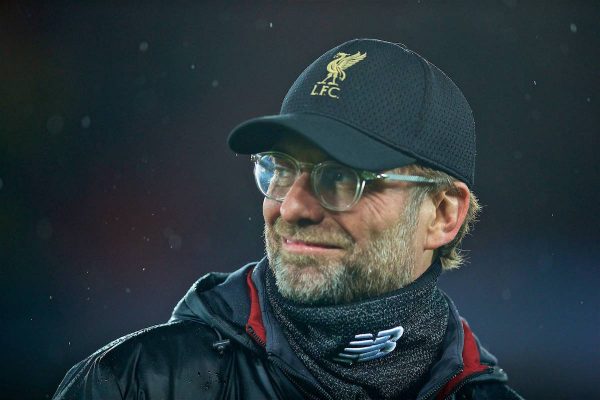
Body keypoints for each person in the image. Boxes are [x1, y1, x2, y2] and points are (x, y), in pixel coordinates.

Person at [53, 39, 524, 400]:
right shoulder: (134, 384)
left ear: (443, 214)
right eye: (281, 169)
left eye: (341, 177)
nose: (291, 207)